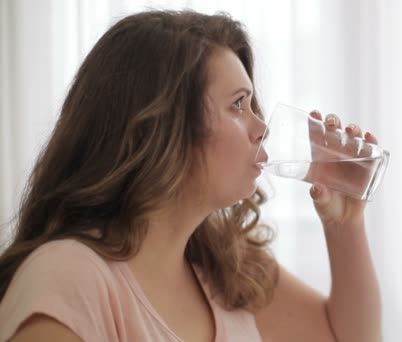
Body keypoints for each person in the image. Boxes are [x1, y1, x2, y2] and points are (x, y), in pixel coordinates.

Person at [0, 10, 381, 342]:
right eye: (237, 105)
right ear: (161, 126)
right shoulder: (70, 276)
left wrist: (345, 225)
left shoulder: (228, 267)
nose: (262, 126)